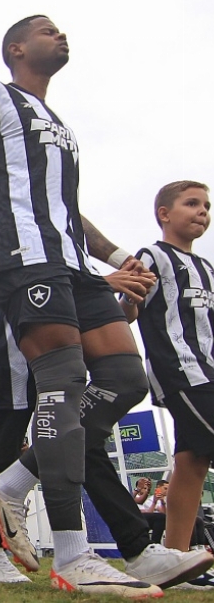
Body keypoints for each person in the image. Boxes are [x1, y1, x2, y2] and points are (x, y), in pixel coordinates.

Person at [0, 15, 163, 597]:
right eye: (46, 30)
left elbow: (65, 208)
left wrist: (122, 257)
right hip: (21, 258)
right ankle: (72, 553)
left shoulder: (60, 125)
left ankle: (13, 484)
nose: (60, 35)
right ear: (16, 49)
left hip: (73, 264)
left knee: (125, 377)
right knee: (59, 389)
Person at [0, 288, 212, 589]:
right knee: (7, 443)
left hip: (62, 342)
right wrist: (100, 284)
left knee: (83, 439)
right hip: (15, 345)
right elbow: (30, 279)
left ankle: (136, 547)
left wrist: (113, 296)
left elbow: (113, 309)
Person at [123, 180, 214, 589]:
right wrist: (129, 296)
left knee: (192, 463)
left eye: (206, 206)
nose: (202, 211)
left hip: (209, 370)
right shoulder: (153, 257)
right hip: (182, 371)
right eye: (191, 203)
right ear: (164, 213)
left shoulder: (207, 269)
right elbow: (129, 309)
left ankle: (177, 561)